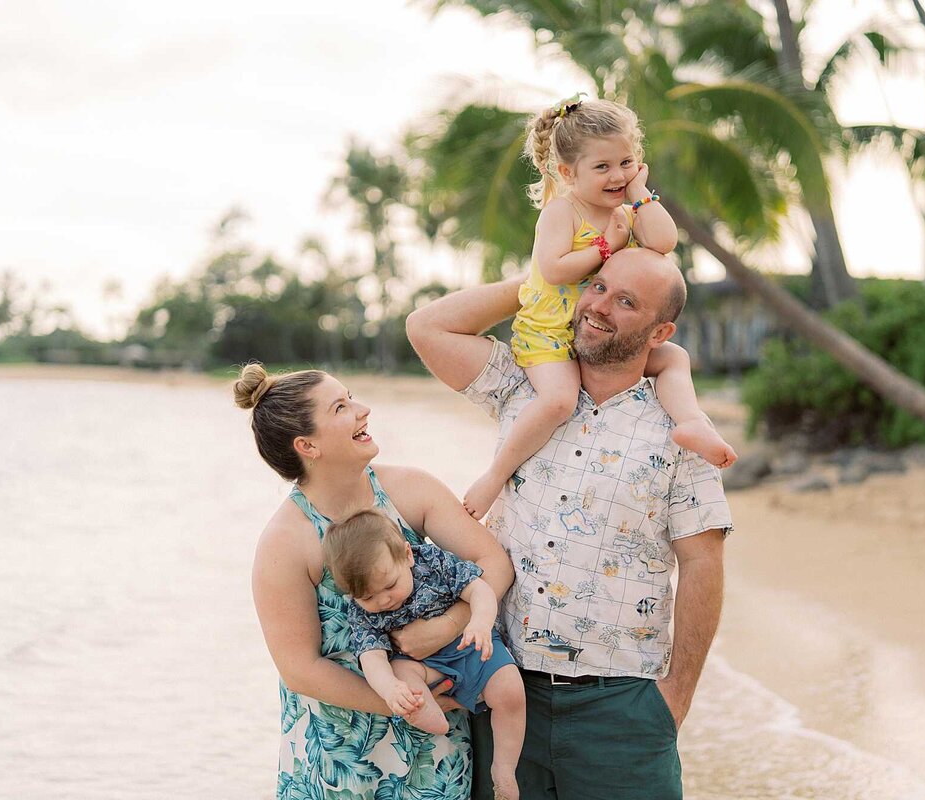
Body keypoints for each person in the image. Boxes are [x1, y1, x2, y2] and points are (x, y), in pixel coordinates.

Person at [406, 247, 734, 800]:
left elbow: (702, 563)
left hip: (624, 707)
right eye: (597, 287)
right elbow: (427, 326)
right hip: (507, 695)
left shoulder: (680, 431)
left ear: (661, 332)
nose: (599, 307)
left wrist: (674, 698)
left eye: (626, 301)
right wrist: (547, 277)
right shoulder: (523, 388)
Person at [234, 362, 514, 800]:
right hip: (338, 761)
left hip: (433, 756)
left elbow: (493, 561)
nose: (364, 410)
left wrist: (446, 626)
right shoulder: (286, 541)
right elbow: (299, 669)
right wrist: (410, 704)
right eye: (342, 407)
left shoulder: (411, 490)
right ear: (308, 445)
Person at [461, 94, 737, 520]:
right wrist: (606, 246)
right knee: (558, 401)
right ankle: (495, 476)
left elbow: (663, 242)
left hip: (590, 328)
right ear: (570, 173)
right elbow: (553, 270)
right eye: (603, 167)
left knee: (673, 357)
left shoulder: (626, 212)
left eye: (626, 163)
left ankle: (691, 421)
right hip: (550, 330)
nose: (617, 176)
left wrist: (641, 193)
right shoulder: (562, 212)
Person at [324, 509, 526, 799]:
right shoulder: (360, 612)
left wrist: (480, 623)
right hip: (423, 666)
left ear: (407, 555)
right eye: (367, 597)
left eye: (390, 585)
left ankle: (504, 769)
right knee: (402, 672)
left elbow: (479, 590)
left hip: (468, 643)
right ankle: (424, 711)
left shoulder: (433, 562)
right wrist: (391, 689)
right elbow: (372, 657)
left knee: (510, 690)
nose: (383, 600)